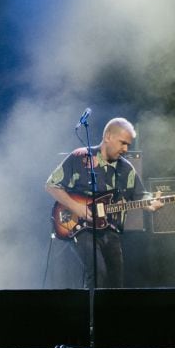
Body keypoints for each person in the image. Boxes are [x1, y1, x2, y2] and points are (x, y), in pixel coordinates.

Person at [45, 117, 162, 288]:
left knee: (116, 281)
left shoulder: (126, 169)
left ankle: (110, 315)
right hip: (80, 228)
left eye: (128, 145)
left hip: (110, 230)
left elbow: (140, 195)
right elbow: (51, 185)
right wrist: (76, 206)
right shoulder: (79, 157)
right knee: (98, 273)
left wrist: (150, 202)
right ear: (108, 136)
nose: (125, 149)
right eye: (123, 143)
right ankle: (91, 314)